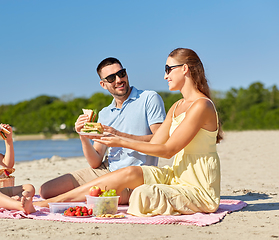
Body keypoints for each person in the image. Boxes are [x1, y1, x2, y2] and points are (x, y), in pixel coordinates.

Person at [33, 48, 223, 217]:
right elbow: (155, 144)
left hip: (197, 186)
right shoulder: (176, 106)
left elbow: (167, 150)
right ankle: (46, 203)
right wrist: (86, 135)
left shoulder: (202, 105)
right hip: (175, 176)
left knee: (140, 195)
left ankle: (47, 203)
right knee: (130, 173)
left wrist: (120, 140)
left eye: (168, 69)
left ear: (185, 69)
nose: (165, 76)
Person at [39, 57, 166, 204]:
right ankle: (57, 199)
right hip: (107, 170)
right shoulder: (104, 113)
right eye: (111, 78)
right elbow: (95, 161)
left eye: (121, 73)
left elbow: (160, 140)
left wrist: (119, 136)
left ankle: (55, 202)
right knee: (46, 190)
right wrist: (83, 136)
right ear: (103, 84)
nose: (118, 80)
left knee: (87, 195)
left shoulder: (149, 98)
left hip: (135, 178)